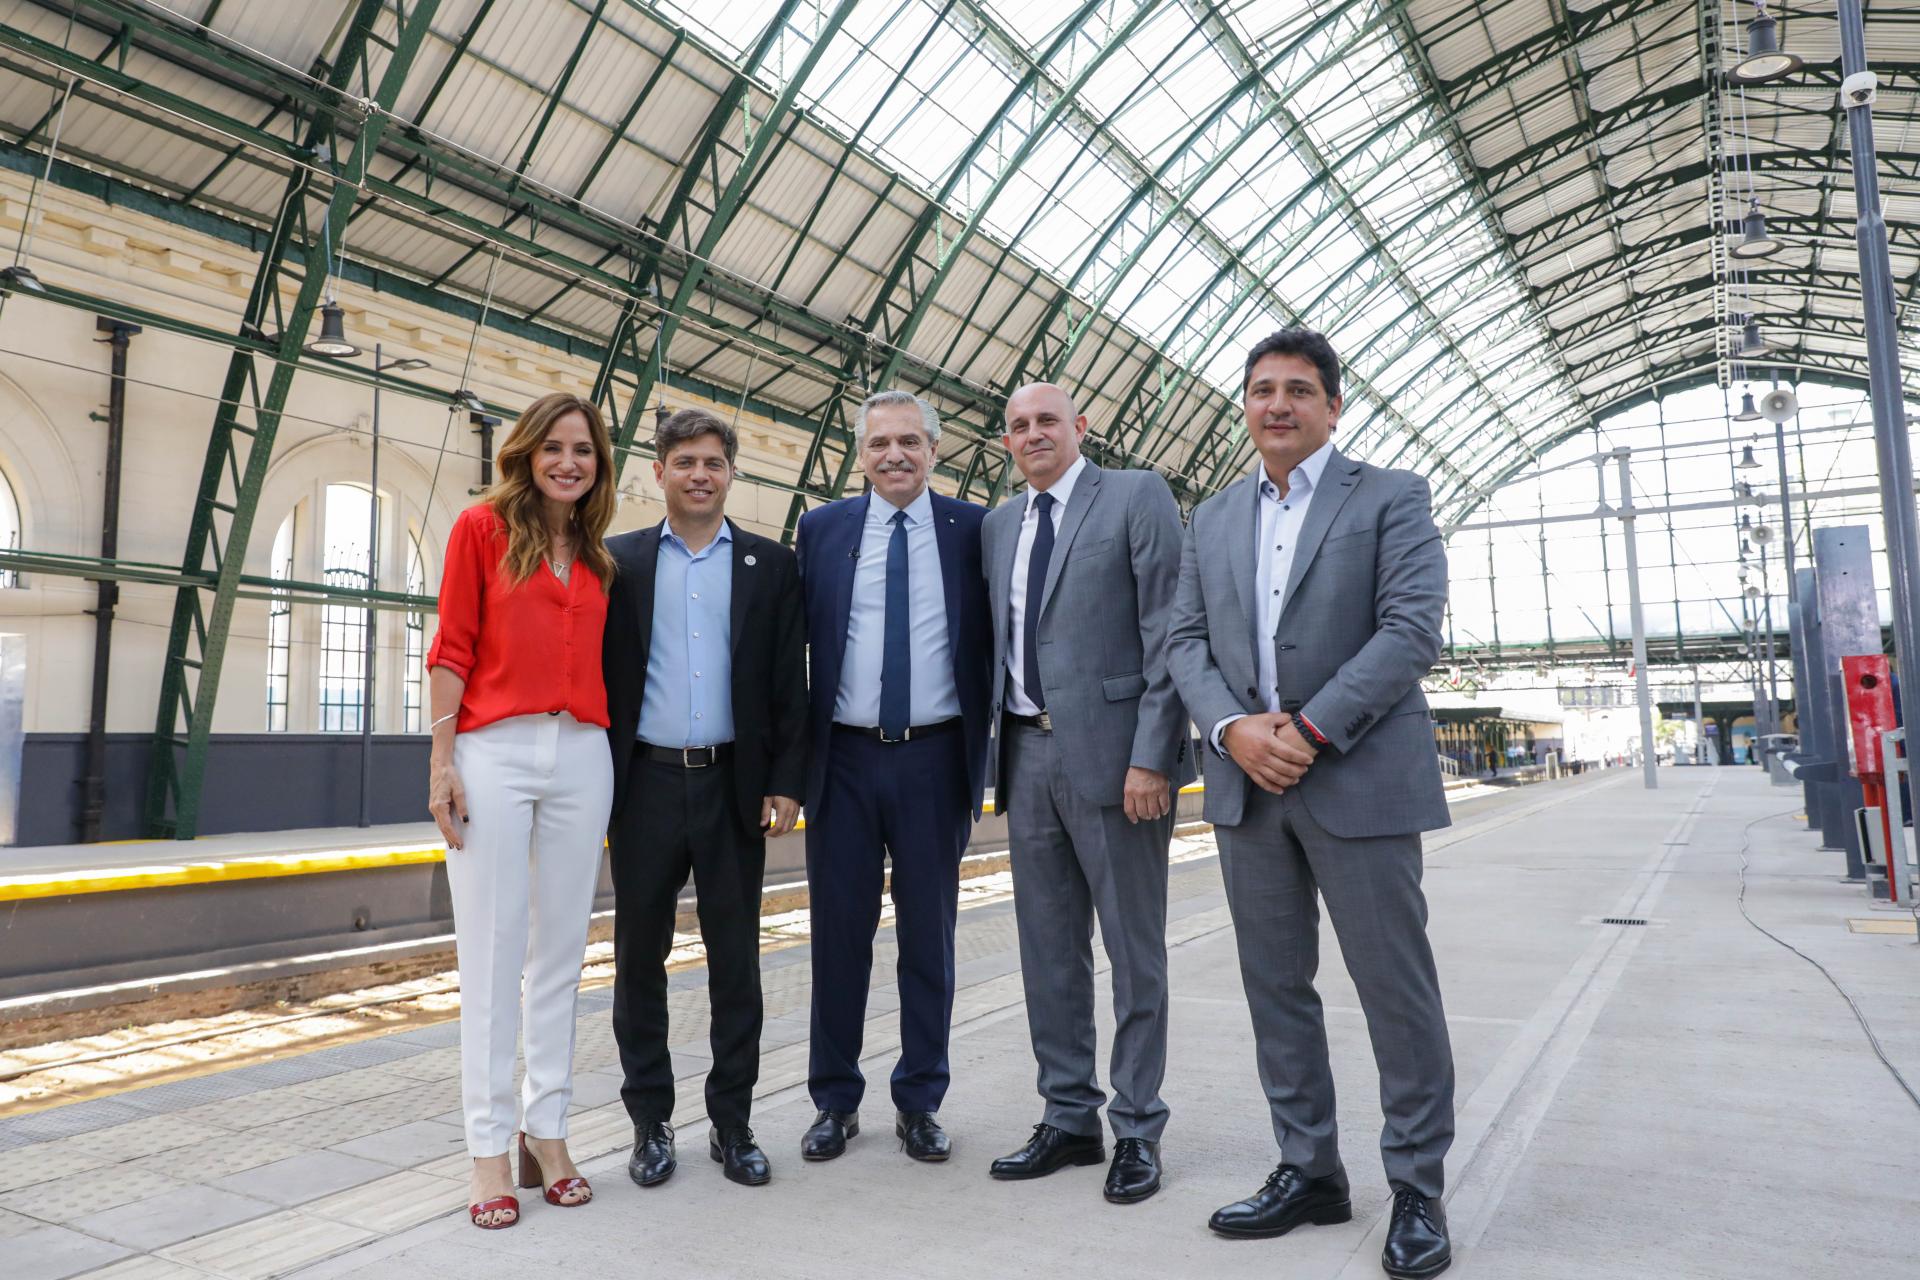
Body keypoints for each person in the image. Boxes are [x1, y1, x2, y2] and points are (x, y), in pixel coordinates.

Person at [1166, 329, 1457, 1279]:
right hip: (1249, 788)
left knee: (1393, 989)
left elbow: (1411, 628)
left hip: (1359, 778)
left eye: (1298, 390)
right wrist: (1230, 732)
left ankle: (1415, 1185)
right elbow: (1186, 642)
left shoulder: (1390, 497)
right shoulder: (1209, 518)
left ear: (1335, 406)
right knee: (1275, 988)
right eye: (1261, 391)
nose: (1277, 405)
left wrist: (1308, 728)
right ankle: (1309, 1169)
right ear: (1244, 407)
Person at [981, 383, 1190, 1203]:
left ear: (1081, 428)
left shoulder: (1136, 496)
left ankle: (1138, 1126)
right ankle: (1069, 1117)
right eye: (1019, 426)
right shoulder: (1001, 524)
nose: (1034, 435)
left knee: (1133, 951)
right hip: (1025, 756)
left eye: (1047, 421)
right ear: (1006, 442)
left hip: (1117, 762)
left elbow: (1168, 630)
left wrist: (1152, 758)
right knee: (1047, 949)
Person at [426, 392, 619, 1230]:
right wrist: (440, 761)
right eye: (554, 448)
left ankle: (549, 1133)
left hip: (583, 751)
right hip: (492, 749)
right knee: (494, 953)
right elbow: (451, 646)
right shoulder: (481, 530)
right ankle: (486, 1150)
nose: (569, 462)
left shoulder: (600, 554)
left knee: (563, 953)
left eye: (584, 450)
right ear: (526, 453)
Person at [602, 407, 806, 1190]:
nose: (699, 474)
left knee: (736, 961)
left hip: (733, 786)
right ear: (658, 472)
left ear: (730, 473)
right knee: (637, 959)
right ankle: (650, 1123)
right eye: (683, 461)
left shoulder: (769, 565)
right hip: (644, 784)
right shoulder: (618, 563)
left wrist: (786, 779)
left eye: (713, 462)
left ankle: (733, 1123)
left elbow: (792, 681)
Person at [794, 389, 991, 1164]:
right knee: (838, 935)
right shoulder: (822, 529)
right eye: (879, 444)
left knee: (928, 938)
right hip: (841, 758)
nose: (895, 456)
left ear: (934, 449)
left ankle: (921, 1099)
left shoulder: (974, 530)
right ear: (860, 453)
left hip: (934, 757)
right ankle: (834, 1100)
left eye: (910, 441)